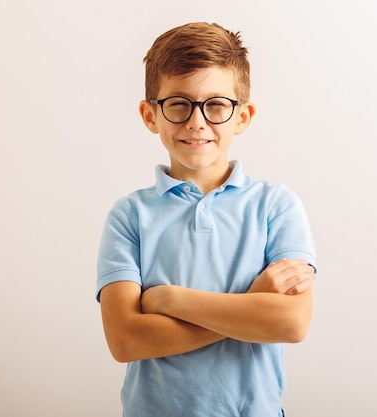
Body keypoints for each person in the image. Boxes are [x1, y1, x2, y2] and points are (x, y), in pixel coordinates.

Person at [96, 22, 317, 417]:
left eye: (215, 105)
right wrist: (251, 305)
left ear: (242, 116)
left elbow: (291, 323)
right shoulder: (129, 216)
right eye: (178, 103)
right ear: (151, 115)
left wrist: (170, 300)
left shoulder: (275, 206)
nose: (197, 121)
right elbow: (126, 340)